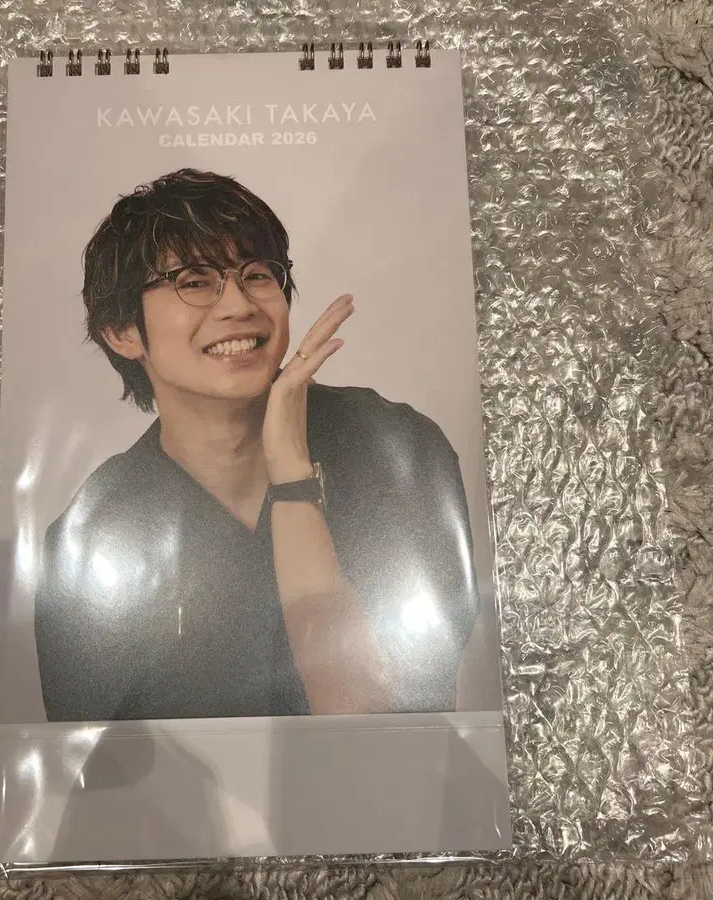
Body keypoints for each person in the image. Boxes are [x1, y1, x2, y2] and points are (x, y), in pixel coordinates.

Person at [34, 168, 481, 722]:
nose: (238, 305)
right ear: (123, 331)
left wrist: (293, 479)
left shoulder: (394, 449)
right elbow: (104, 762)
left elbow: (381, 728)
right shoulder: (94, 533)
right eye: (194, 281)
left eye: (257, 275)